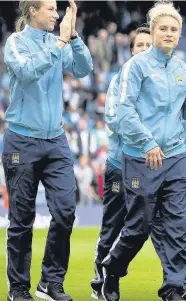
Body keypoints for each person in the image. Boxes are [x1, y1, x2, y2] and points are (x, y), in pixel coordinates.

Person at [100, 2, 186, 300]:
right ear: (153, 29)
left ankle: (172, 288)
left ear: (179, 34)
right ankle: (113, 268)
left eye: (174, 30)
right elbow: (124, 111)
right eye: (164, 28)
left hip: (176, 157)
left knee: (177, 224)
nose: (169, 34)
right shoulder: (136, 66)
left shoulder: (184, 69)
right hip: (141, 157)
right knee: (139, 225)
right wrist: (147, 143)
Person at [3, 1, 93, 300]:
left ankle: (50, 281)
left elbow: (83, 69)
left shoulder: (60, 41)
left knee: (66, 211)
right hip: (22, 140)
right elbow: (28, 72)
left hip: (55, 141)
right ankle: (18, 288)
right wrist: (60, 42)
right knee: (21, 220)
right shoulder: (15, 42)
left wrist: (74, 37)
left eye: (58, 9)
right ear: (32, 11)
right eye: (51, 8)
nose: (57, 14)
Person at [91, 26, 152, 300]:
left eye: (149, 45)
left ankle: (177, 280)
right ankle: (100, 280)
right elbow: (114, 119)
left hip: (153, 164)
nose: (144, 49)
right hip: (121, 160)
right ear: (131, 50)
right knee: (113, 223)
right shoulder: (121, 79)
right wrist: (146, 135)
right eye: (139, 45)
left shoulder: (161, 82)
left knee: (154, 223)